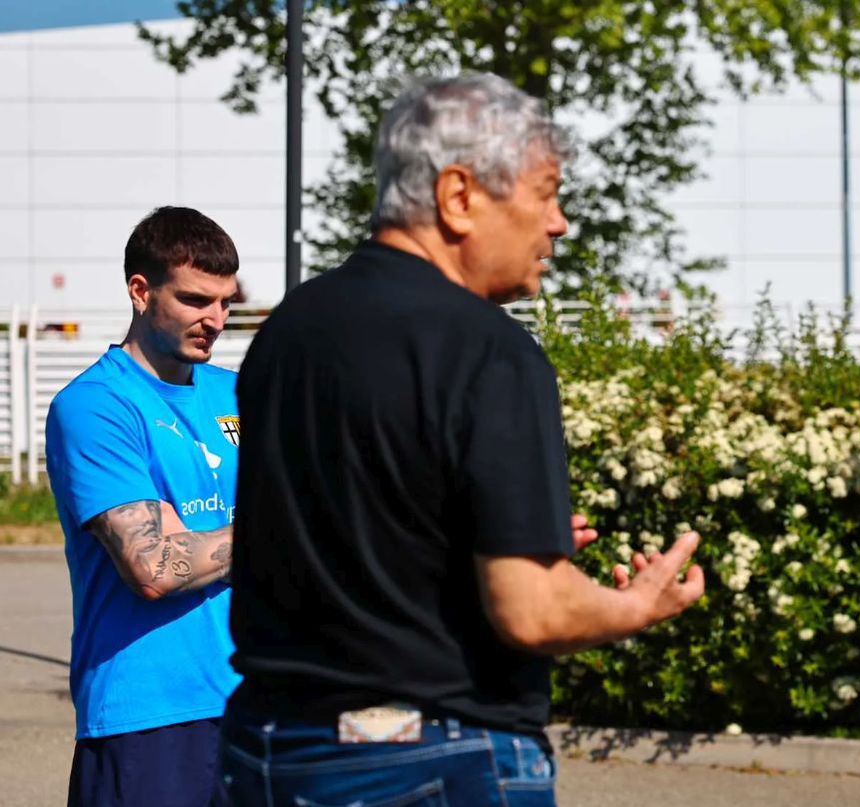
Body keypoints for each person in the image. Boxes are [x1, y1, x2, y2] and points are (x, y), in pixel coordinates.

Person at [220, 73, 705, 807]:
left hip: (267, 748)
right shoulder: (491, 351)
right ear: (458, 195)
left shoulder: (287, 332)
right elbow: (533, 611)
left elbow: (346, 539)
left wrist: (489, 535)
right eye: (546, 193)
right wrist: (638, 603)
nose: (559, 223)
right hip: (432, 759)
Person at [45, 206, 244, 806]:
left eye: (225, 302)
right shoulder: (96, 404)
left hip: (252, 699)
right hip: (148, 714)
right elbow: (154, 566)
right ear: (140, 291)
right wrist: (276, 532)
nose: (215, 320)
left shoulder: (237, 393)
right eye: (195, 300)